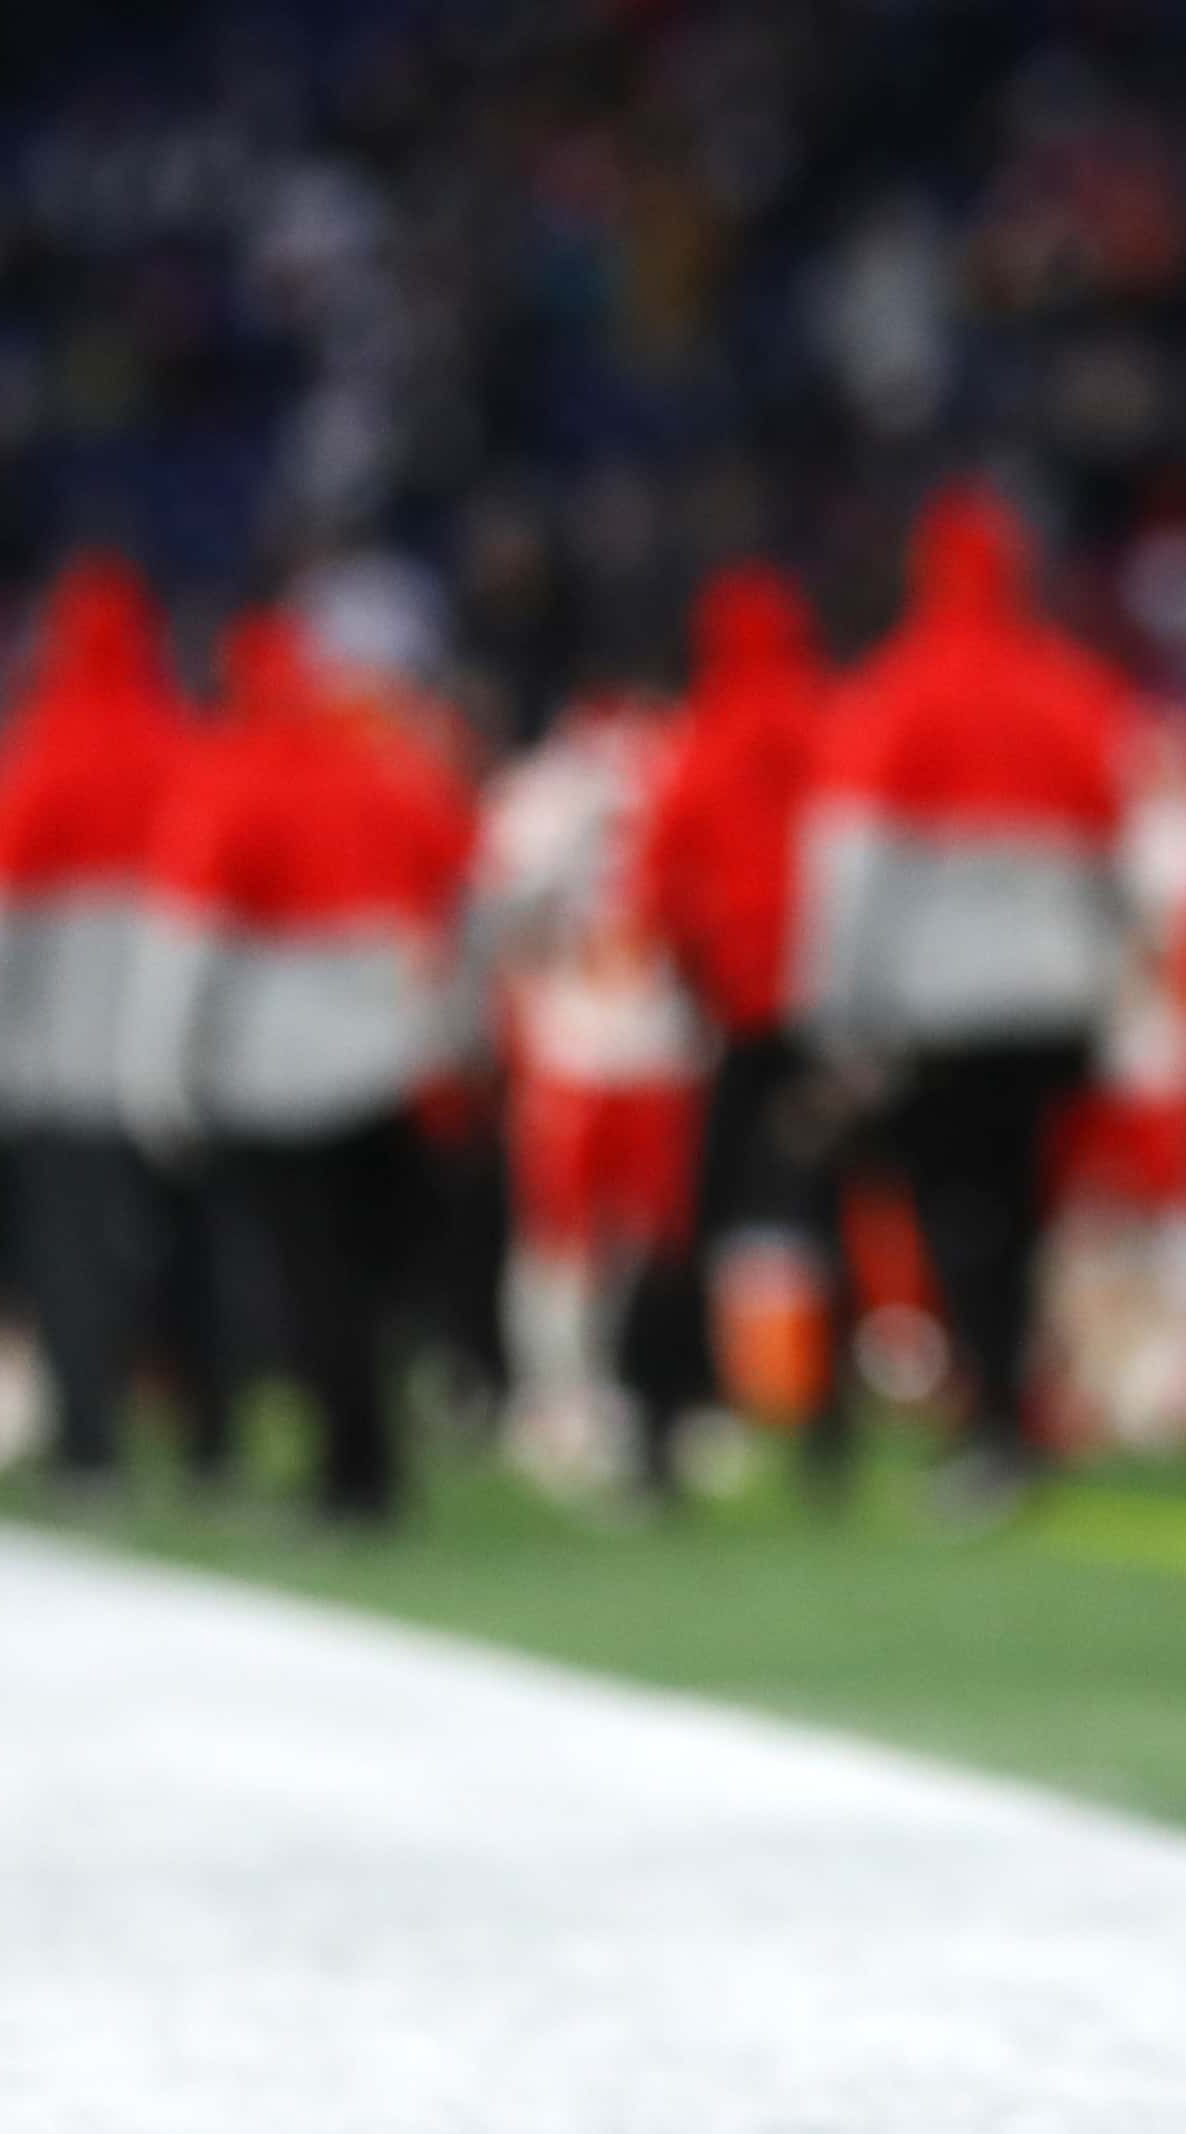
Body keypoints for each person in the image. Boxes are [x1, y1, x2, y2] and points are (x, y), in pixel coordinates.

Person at [809, 488, 1151, 1516]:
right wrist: (1118, 982)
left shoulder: (894, 690)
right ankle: (1027, 1411)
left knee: (959, 1224)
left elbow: (852, 871)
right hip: (1057, 1005)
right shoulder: (1073, 688)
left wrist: (836, 1009)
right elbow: (1123, 863)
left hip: (941, 1012)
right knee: (1028, 1216)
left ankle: (993, 1424)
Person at [125, 608, 473, 1529]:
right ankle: (377, 1465)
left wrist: (160, 1076)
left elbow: (184, 952)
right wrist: (451, 1022)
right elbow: (463, 887)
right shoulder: (387, 773)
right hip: (391, 1064)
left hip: (276, 1080)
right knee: (371, 1285)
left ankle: (347, 1481)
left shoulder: (225, 782)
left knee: (311, 1287)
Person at [0, 555, 211, 1491]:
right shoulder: (186, 748)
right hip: (185, 1071)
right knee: (189, 1253)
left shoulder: (38, 752)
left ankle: (90, 1444)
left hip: (59, 1069)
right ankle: (210, 1444)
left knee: (68, 1257)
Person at [630, 566, 844, 1483]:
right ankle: (826, 1422)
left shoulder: (701, 740)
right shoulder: (837, 724)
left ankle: (666, 1406)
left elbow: (660, 878)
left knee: (698, 1212)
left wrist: (695, 973)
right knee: (832, 1210)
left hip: (730, 1011)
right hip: (830, 1008)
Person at [470, 684, 695, 1500]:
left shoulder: (679, 769)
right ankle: (554, 1397)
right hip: (570, 1046)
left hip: (657, 1043)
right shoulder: (539, 799)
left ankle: (623, 1390)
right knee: (561, 1240)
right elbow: (499, 920)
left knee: (641, 1237)